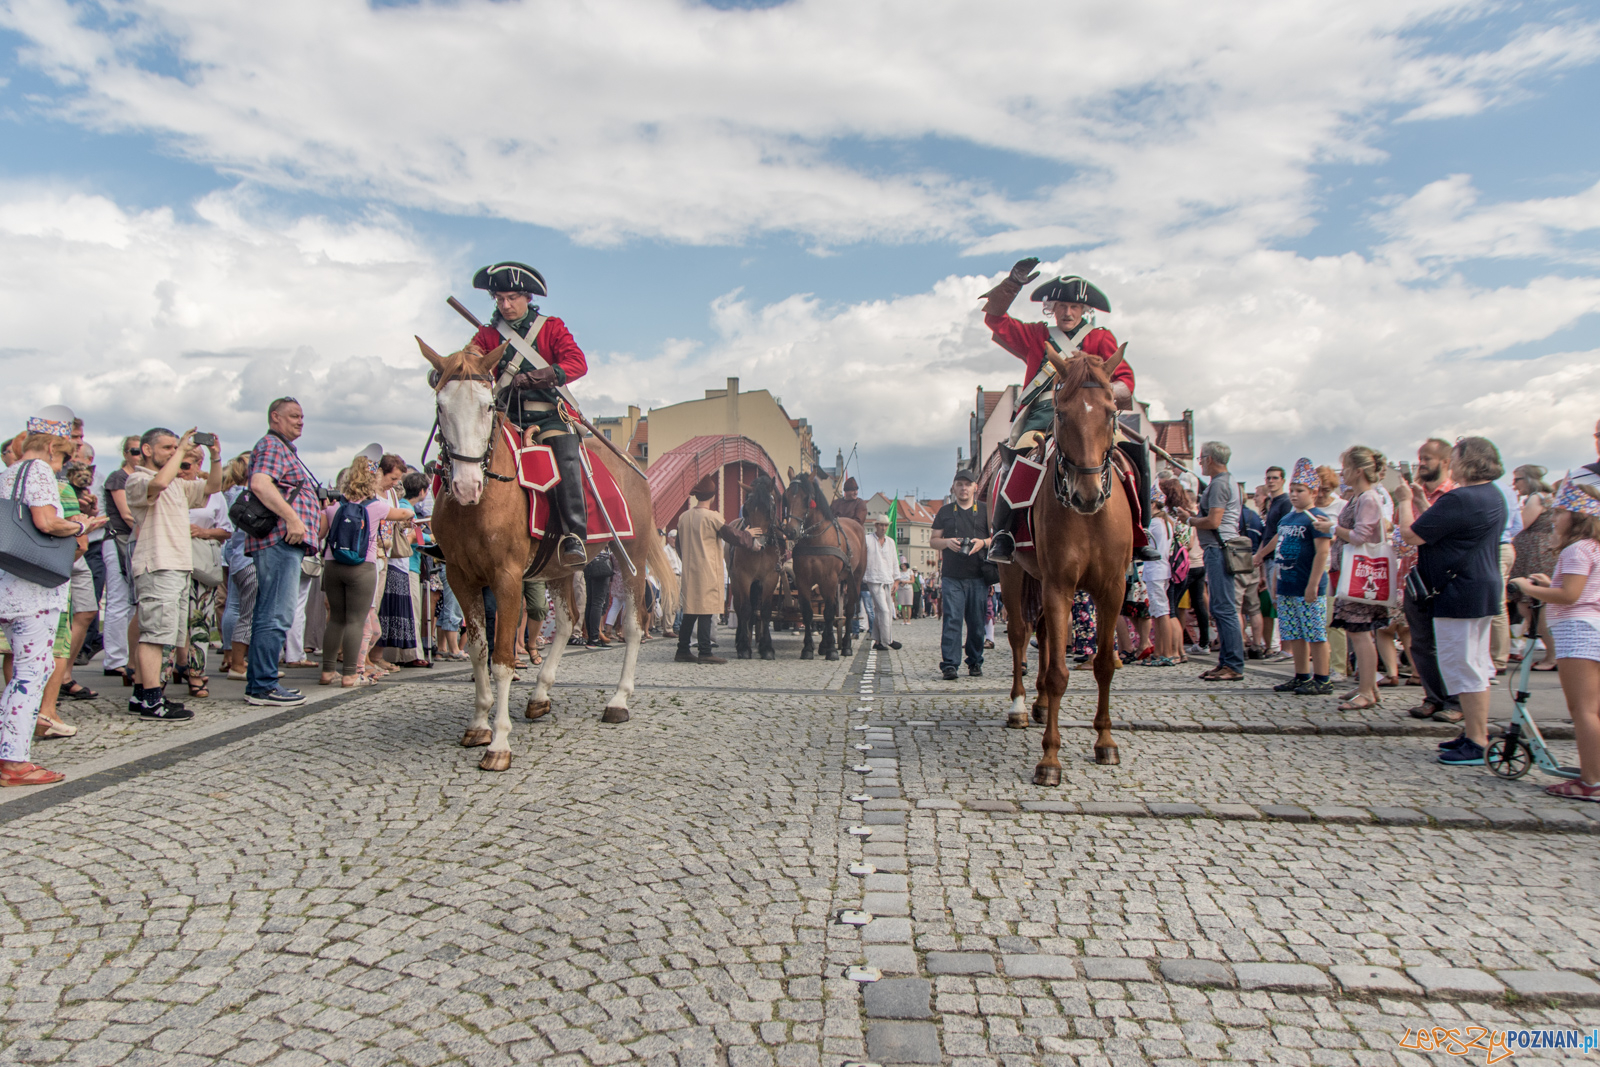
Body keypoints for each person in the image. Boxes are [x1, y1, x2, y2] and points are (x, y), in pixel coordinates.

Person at [977, 259, 1155, 564]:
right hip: (1043, 414)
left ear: (1084, 310)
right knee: (1017, 458)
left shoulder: (1100, 339)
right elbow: (996, 321)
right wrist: (1012, 284)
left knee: (1134, 454)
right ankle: (1004, 532)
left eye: (1073, 306)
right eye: (1060, 306)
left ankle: (1140, 531)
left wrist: (1106, 396)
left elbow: (1125, 381)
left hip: (1092, 417)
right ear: (1051, 309)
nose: (1067, 312)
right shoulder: (1036, 336)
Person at [462, 261, 590, 567]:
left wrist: (540, 377)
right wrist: (453, 368)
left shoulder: (551, 327)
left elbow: (577, 363)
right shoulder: (488, 334)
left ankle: (574, 534)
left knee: (564, 454)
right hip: (507, 417)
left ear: (527, 297)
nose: (505, 305)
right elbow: (472, 357)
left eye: (511, 298)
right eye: (499, 299)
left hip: (547, 415)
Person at [0, 428, 105, 786]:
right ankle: (13, 761)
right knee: (32, 672)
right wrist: (79, 524)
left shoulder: (8, 472)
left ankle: (11, 754)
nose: (60, 468)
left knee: (24, 669)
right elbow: (46, 521)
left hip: (9, 581)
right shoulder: (39, 470)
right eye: (61, 458)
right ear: (49, 449)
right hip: (32, 587)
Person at [1395, 437, 1507, 765]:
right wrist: (1421, 499)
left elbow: (1412, 535)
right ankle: (1474, 731)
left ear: (1467, 461)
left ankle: (1475, 739)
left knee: (1463, 665)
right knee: (1473, 663)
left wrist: (1404, 501)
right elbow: (1448, 528)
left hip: (1458, 590)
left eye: (1455, 458)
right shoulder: (1491, 495)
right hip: (1478, 586)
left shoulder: (1460, 497)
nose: (1452, 464)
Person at [1509, 477, 1600, 800]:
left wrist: (1529, 588)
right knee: (1594, 709)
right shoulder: (1594, 548)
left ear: (1576, 516)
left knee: (1584, 710)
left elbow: (1572, 595)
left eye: (1559, 512)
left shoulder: (1576, 549)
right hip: (1594, 625)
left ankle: (1591, 782)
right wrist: (1548, 584)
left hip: (1578, 631)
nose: (1554, 518)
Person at [126, 427, 221, 720]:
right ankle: (153, 701)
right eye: (166, 447)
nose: (173, 452)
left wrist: (216, 457)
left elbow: (212, 488)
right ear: (146, 450)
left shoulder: (178, 484)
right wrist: (181, 449)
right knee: (154, 635)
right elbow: (158, 484)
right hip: (158, 563)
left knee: (167, 635)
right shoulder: (138, 479)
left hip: (179, 565)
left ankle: (142, 695)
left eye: (173, 447)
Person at [243, 397, 321, 708]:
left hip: (283, 542)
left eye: (302, 416)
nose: (300, 421)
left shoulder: (283, 448)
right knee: (275, 613)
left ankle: (260, 682)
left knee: (272, 612)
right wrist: (292, 517)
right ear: (275, 417)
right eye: (293, 416)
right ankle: (263, 685)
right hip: (280, 540)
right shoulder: (273, 446)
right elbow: (261, 483)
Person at [318, 458, 413, 688]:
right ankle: (351, 674)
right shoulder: (377, 506)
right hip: (362, 566)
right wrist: (409, 517)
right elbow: (401, 515)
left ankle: (327, 671)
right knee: (355, 621)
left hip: (332, 565)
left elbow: (320, 534)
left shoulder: (334, 505)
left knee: (336, 620)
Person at [1314, 446, 1390, 711]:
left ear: (1358, 470)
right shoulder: (1360, 497)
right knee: (1357, 632)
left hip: (1361, 574)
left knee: (1360, 633)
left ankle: (1367, 690)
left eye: (1345, 467)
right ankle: (1368, 686)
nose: (1342, 473)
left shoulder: (1368, 498)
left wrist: (1332, 528)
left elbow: (1360, 536)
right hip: (1351, 572)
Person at [1268, 459, 1334, 694]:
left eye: (1300, 491)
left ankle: (1323, 677)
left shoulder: (1316, 518)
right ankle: (1301, 675)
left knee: (1314, 632)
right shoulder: (1287, 519)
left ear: (1313, 492)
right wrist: (1276, 582)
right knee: (1293, 632)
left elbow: (1322, 553)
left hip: (1307, 584)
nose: (1294, 495)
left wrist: (1313, 584)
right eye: (1292, 491)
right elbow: (1279, 550)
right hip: (1287, 582)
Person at [1184, 441, 1245, 681]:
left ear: (1210, 459)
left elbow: (1213, 521)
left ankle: (1233, 664)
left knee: (1224, 608)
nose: (1200, 464)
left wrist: (1190, 520)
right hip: (1221, 547)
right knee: (1221, 607)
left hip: (1219, 548)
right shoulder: (1229, 482)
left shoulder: (1219, 485)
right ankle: (1227, 661)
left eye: (1201, 459)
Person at [675, 479, 749, 663]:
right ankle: (705, 652)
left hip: (689, 571)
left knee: (690, 612)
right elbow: (732, 536)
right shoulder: (712, 517)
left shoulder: (683, 517)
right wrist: (749, 536)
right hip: (707, 570)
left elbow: (678, 546)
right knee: (706, 611)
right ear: (713, 496)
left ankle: (682, 649)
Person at [179, 445, 232, 699]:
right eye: (181, 463)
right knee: (168, 622)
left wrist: (203, 532)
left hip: (199, 561)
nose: (185, 469)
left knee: (199, 619)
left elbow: (226, 530)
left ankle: (196, 673)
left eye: (190, 464)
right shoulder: (167, 486)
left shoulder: (211, 494)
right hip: (171, 557)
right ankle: (161, 675)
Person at [931, 469, 990, 680]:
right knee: (952, 620)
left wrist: (982, 543)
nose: (964, 488)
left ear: (975, 487)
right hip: (952, 575)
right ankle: (950, 664)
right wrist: (947, 542)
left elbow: (996, 537)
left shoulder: (985, 510)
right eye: (960, 484)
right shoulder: (945, 511)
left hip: (978, 575)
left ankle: (974, 661)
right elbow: (933, 540)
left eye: (968, 484)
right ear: (954, 488)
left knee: (976, 623)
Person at [99, 435, 141, 686]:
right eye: (133, 451)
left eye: (140, 451)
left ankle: (126, 656)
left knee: (132, 601)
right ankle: (114, 659)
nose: (137, 456)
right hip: (120, 539)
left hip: (134, 539)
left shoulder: (141, 478)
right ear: (125, 453)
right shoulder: (118, 477)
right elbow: (126, 513)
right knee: (117, 600)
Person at [1509, 464, 1558, 671]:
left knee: (1532, 606)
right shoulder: (1546, 496)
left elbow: (1521, 524)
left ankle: (1553, 655)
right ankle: (1552, 653)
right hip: (1538, 551)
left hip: (1535, 554)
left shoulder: (1537, 497)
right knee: (1531, 606)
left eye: (1517, 479)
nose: (1514, 484)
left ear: (1528, 479)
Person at [218, 455, 256, 679]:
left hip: (231, 552)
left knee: (231, 604)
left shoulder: (228, 493)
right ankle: (238, 660)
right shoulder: (246, 495)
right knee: (245, 610)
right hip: (245, 553)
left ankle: (228, 654)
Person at [863, 516, 901, 652]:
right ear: (876, 526)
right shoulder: (867, 540)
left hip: (887, 578)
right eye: (881, 525)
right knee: (884, 610)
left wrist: (897, 579)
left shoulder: (890, 542)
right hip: (873, 577)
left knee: (885, 610)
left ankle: (878, 641)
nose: (883, 528)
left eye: (885, 526)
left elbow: (894, 561)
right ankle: (887, 640)